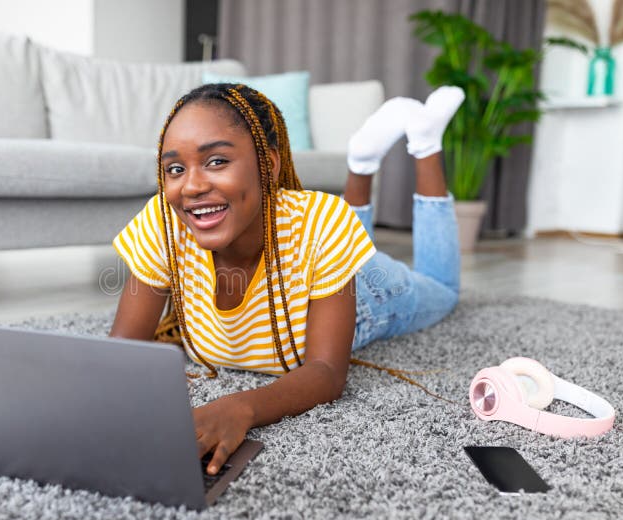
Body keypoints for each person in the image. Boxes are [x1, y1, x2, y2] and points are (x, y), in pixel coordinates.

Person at [109, 83, 464, 476]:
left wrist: (240, 407)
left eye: (216, 161)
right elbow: (118, 357)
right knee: (333, 235)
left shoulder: (323, 226)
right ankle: (362, 162)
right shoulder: (164, 221)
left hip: (367, 297)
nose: (190, 185)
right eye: (175, 168)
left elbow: (327, 372)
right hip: (314, 257)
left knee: (443, 291)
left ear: (268, 164)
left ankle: (425, 144)